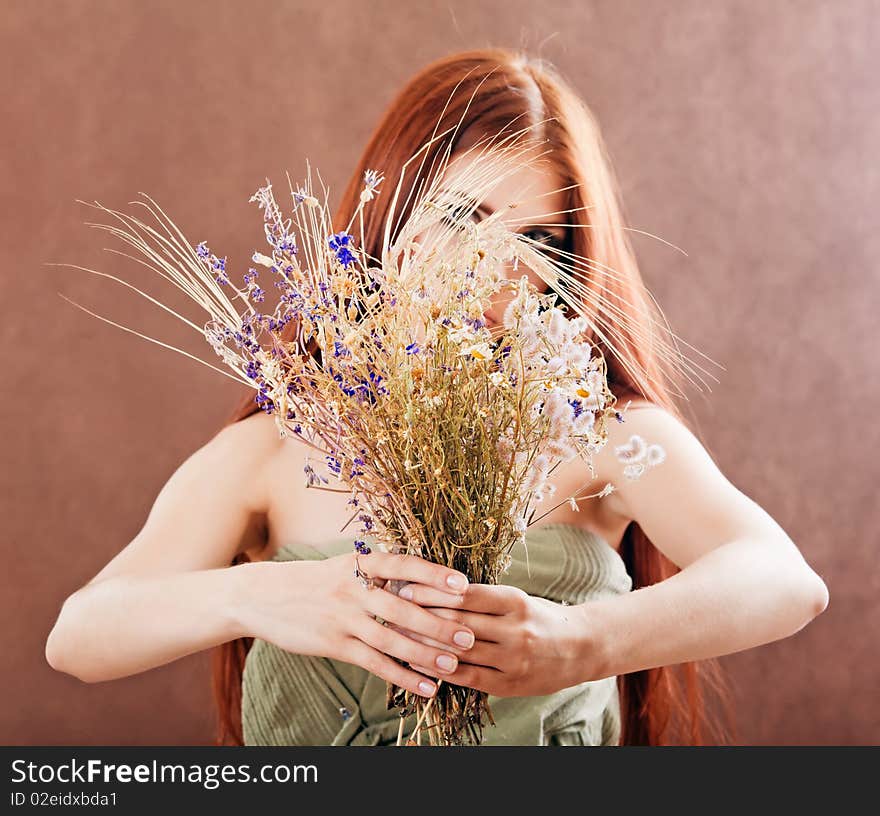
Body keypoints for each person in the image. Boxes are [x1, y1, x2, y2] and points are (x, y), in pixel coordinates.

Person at [45, 48, 829, 747]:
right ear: (394, 214)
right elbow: (80, 635)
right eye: (463, 216)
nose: (496, 265)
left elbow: (782, 580)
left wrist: (586, 640)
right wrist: (259, 594)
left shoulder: (599, 432)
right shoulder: (280, 448)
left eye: (541, 240)